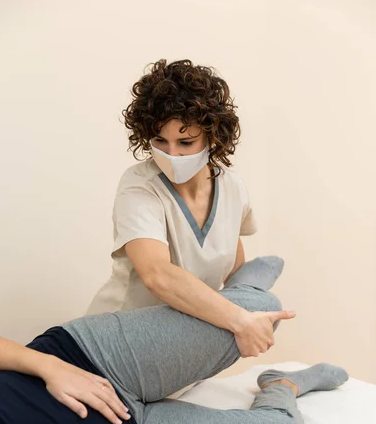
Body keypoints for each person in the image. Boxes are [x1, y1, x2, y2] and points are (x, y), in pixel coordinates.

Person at [0, 257, 348, 424]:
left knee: (259, 312)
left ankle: (244, 291)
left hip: (87, 360)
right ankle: (282, 385)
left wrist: (47, 366)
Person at [87, 59, 277, 359]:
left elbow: (234, 274)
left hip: (181, 344)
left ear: (213, 137)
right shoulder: (139, 186)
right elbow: (157, 275)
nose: (171, 154)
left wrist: (255, 310)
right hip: (118, 343)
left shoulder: (232, 188)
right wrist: (240, 321)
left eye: (185, 142)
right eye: (160, 140)